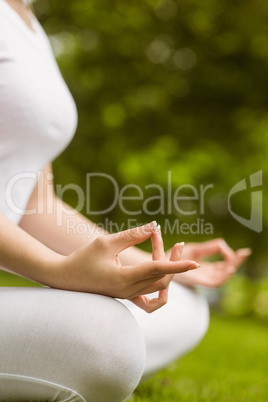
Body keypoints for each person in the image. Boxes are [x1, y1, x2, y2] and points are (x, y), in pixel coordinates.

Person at [0, 1, 251, 401]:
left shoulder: (29, 26)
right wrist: (58, 270)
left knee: (184, 306)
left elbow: (35, 206)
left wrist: (151, 263)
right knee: (108, 336)